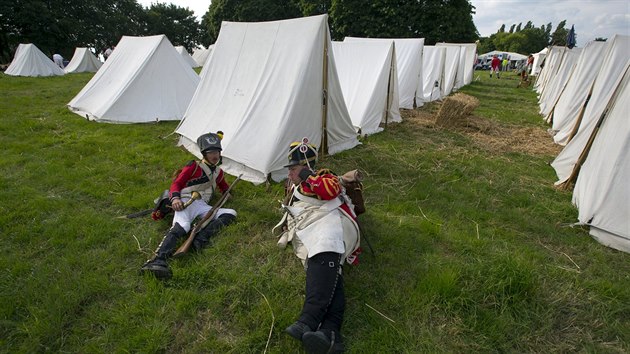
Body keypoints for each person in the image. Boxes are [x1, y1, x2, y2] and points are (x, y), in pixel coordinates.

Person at [273, 140, 361, 354]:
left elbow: (330, 191)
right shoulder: (293, 185)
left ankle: (308, 319)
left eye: (293, 169)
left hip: (331, 221)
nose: (290, 174)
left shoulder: (323, 175)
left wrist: (305, 175)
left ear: (304, 167)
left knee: (325, 246)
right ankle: (330, 333)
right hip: (308, 226)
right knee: (326, 269)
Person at [140, 131, 237, 279]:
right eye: (211, 152)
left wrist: (227, 193)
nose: (214, 155)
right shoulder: (194, 166)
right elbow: (176, 184)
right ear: (204, 153)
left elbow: (224, 187)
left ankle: (200, 238)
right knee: (182, 226)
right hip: (186, 200)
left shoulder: (218, 172)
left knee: (230, 213)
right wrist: (175, 199)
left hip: (202, 205)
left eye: (217, 151)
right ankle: (157, 260)